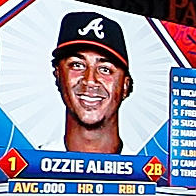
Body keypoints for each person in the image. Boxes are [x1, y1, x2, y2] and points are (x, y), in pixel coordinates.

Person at [48, 11, 135, 155]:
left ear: (125, 86)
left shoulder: (147, 173)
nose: (90, 80)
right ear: (58, 75)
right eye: (77, 65)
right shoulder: (29, 170)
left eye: (105, 69)